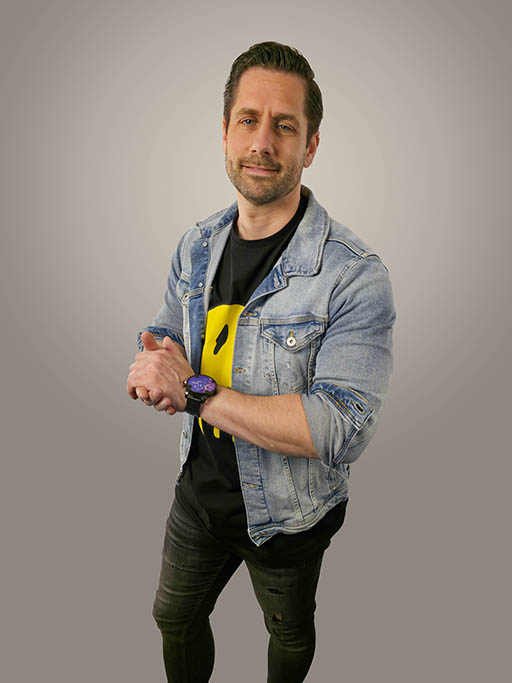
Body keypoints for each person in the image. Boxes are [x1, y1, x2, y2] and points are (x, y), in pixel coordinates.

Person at [126, 41, 395, 683]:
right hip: (198, 495)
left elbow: (342, 428)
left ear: (311, 146)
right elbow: (168, 328)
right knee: (173, 618)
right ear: (225, 132)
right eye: (248, 120)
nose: (262, 142)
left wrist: (192, 390)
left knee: (288, 632)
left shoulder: (354, 277)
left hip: (289, 517)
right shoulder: (197, 243)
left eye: (285, 126)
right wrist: (156, 360)